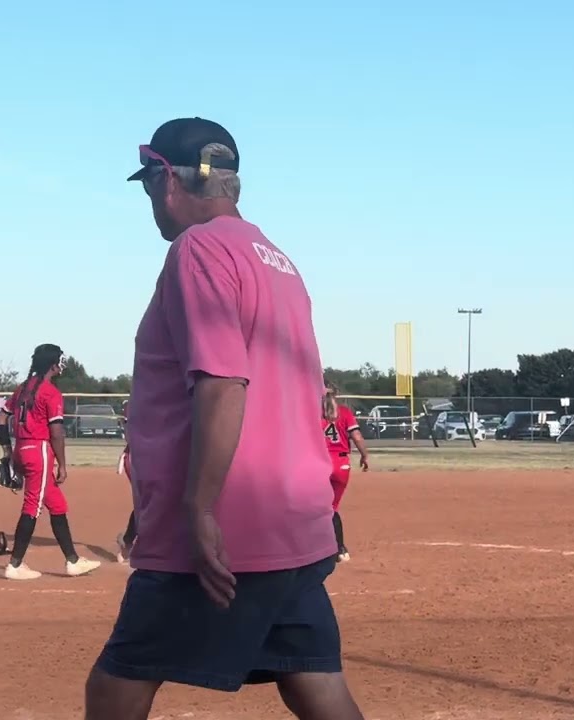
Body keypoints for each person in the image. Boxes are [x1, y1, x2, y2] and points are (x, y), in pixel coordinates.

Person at [85, 117, 364, 720]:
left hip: (225, 529)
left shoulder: (199, 248)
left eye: (148, 186)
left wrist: (200, 508)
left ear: (167, 181)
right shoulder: (278, 260)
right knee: (314, 681)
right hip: (293, 522)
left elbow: (221, 382)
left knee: (117, 686)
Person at [0, 344, 102, 580]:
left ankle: (72, 560)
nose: (62, 364)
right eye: (60, 360)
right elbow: (56, 433)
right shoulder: (50, 392)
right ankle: (15, 564)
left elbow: (1, 417)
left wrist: (6, 449)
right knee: (32, 506)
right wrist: (62, 465)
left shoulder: (23, 388)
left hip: (22, 448)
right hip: (39, 450)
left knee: (57, 505)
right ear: (53, 364)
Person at [322, 384, 369, 562]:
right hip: (341, 464)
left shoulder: (314, 412)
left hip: (320, 462)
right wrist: (364, 456)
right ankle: (340, 549)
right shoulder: (344, 412)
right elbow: (356, 437)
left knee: (315, 507)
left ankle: (321, 547)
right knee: (332, 507)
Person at [116, 399, 137, 564]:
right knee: (147, 502)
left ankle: (128, 542)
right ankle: (127, 542)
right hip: (138, 457)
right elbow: (131, 434)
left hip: (154, 457)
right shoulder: (136, 402)